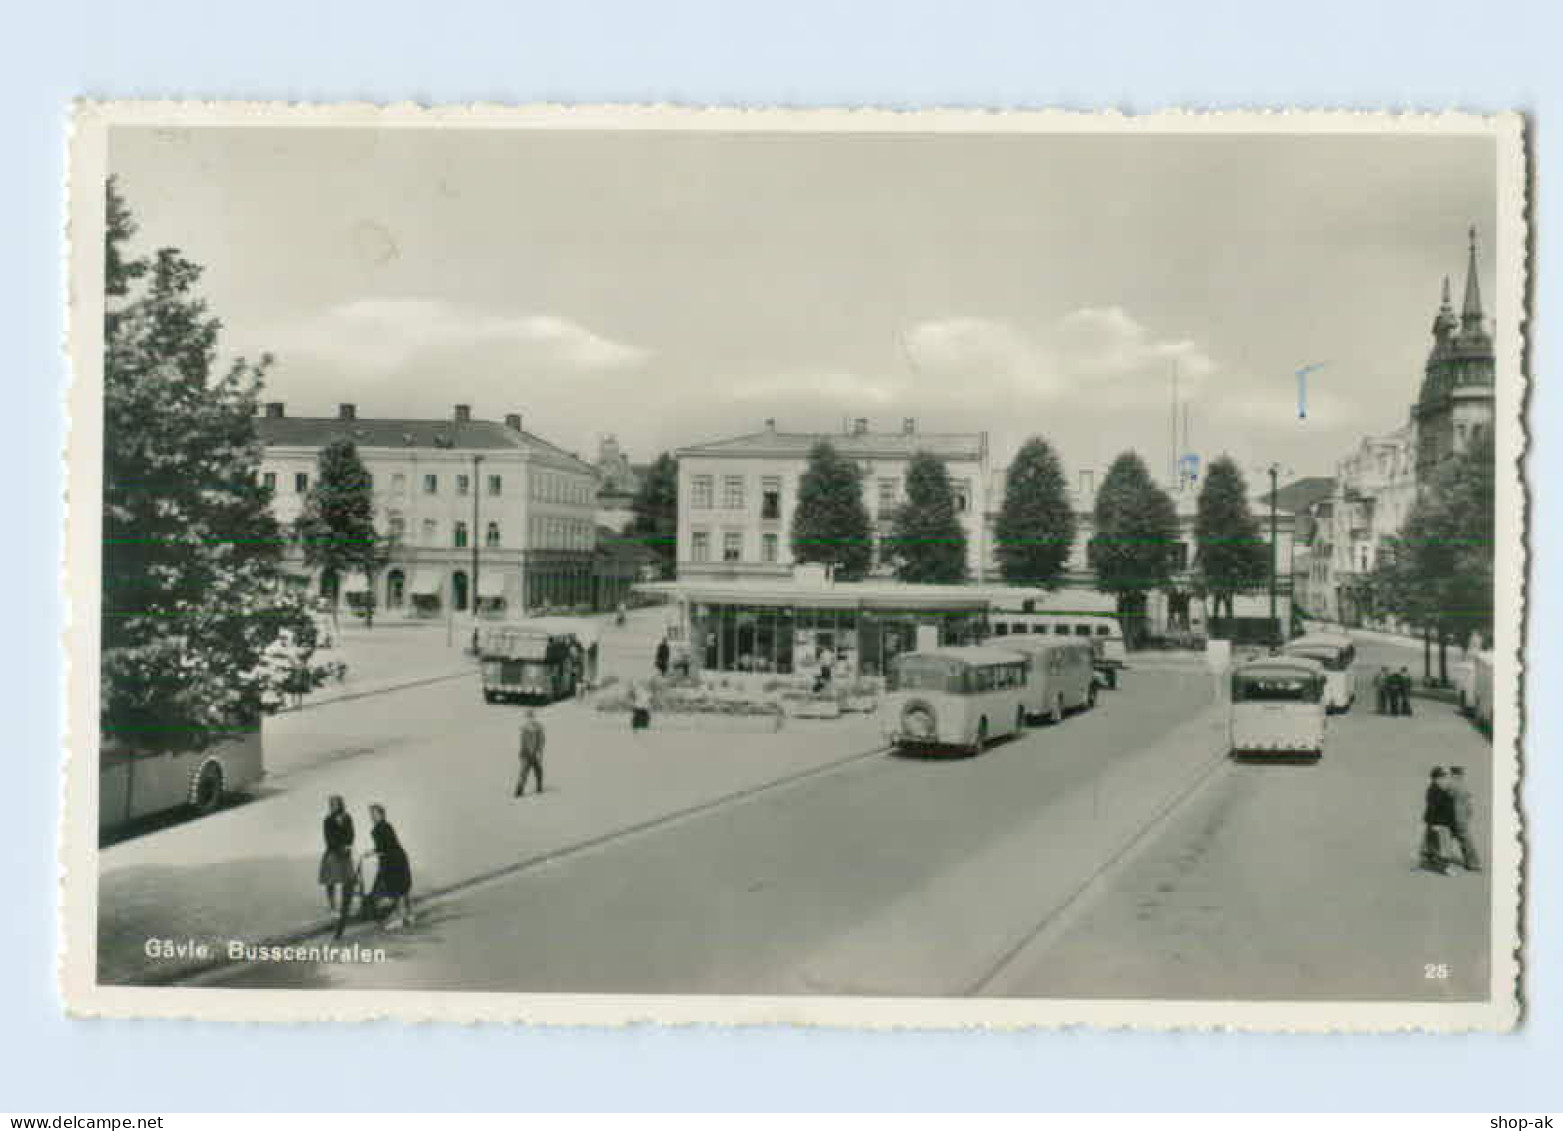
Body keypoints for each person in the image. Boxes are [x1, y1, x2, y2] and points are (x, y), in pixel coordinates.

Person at [362, 803, 414, 928]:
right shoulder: (386, 826)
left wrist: (372, 852)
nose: (372, 817)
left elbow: (384, 847)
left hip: (392, 861)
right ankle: (407, 916)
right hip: (398, 858)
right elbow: (387, 845)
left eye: (374, 814)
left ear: (381, 814)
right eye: (371, 814)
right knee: (401, 889)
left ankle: (400, 918)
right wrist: (376, 852)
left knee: (394, 889)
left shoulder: (378, 829)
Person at [318, 795, 355, 918]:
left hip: (345, 853)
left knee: (348, 880)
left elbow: (351, 834)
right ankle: (332, 905)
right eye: (331, 804)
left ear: (340, 804)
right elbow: (328, 838)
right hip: (333, 852)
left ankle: (346, 905)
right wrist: (339, 846)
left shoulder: (347, 818)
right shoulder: (327, 820)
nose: (333, 806)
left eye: (335, 803)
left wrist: (347, 845)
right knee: (330, 880)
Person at [1421, 767, 1456, 874]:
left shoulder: (1438, 789)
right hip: (1439, 823)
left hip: (1440, 822)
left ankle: (1431, 863)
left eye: (1443, 776)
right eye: (1441, 777)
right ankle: (1444, 868)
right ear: (1435, 778)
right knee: (1442, 845)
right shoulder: (1434, 790)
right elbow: (1433, 808)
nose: (1443, 779)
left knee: (1433, 844)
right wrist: (1433, 823)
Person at [1447, 766, 1482, 872]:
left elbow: (1447, 802)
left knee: (1445, 838)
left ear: (1453, 773)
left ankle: (1441, 861)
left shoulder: (1451, 785)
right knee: (1466, 841)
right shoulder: (1464, 785)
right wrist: (1468, 815)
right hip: (1462, 818)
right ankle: (1474, 863)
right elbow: (1469, 804)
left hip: (1454, 818)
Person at [516, 709, 546, 797]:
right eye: (528, 716)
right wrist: (522, 752)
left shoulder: (538, 727)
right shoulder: (525, 728)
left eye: (531, 716)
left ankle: (538, 787)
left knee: (538, 771)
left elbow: (541, 741)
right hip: (527, 754)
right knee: (524, 772)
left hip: (534, 754)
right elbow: (523, 742)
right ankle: (519, 790)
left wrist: (539, 752)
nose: (530, 718)